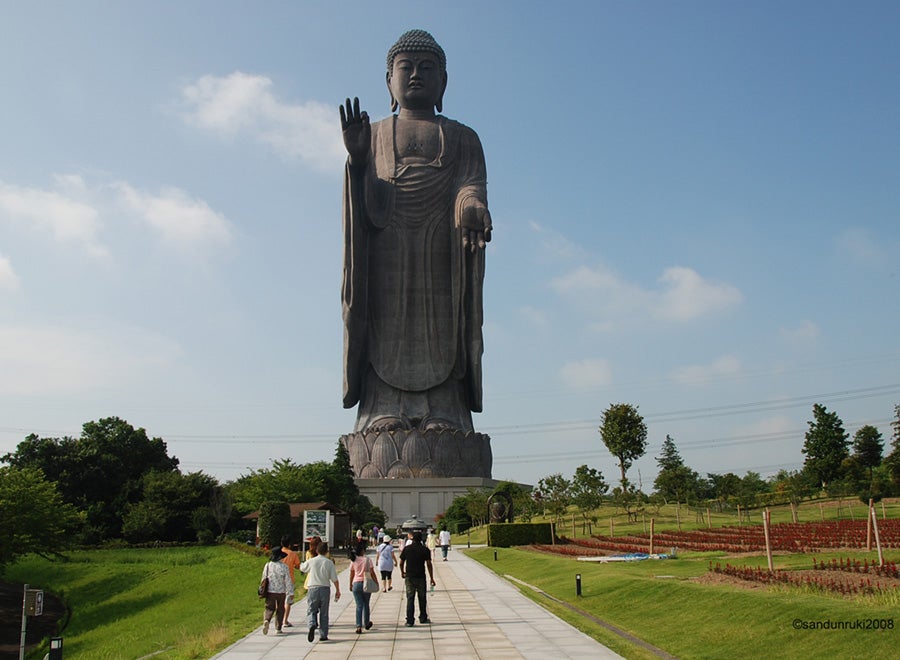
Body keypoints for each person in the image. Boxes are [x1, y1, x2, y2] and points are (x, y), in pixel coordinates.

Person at [340, 29, 492, 434]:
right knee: (382, 322)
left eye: (427, 68)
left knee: (445, 322)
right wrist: (357, 161)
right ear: (388, 81)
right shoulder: (372, 136)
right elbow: (368, 205)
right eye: (405, 67)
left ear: (444, 81)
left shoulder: (464, 137)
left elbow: (470, 183)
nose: (415, 75)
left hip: (442, 248)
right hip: (387, 249)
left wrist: (471, 204)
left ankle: (447, 411)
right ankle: (380, 408)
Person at [300, 542, 341, 642]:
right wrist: (337, 590)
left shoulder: (312, 561)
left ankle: (312, 623)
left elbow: (302, 568)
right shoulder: (329, 562)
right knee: (324, 612)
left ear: (317, 551)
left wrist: (301, 563)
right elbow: (334, 578)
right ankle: (323, 635)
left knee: (311, 609)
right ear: (326, 551)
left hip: (313, 587)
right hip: (325, 588)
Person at [399, 531, 435, 626]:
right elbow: (429, 564)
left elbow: (401, 562)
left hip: (410, 576)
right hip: (421, 576)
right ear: (421, 539)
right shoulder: (425, 550)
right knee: (422, 597)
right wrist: (431, 577)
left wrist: (402, 572)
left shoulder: (407, 549)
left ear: (412, 539)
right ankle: (423, 617)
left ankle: (410, 620)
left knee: (410, 598)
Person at [260, 548, 293, 635]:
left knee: (269, 607)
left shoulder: (267, 565)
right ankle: (278, 628)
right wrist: (290, 592)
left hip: (270, 591)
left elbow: (263, 578)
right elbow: (288, 580)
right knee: (280, 609)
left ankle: (267, 620)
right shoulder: (284, 567)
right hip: (281, 592)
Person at [349, 544, 379, 634]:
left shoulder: (353, 560)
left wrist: (350, 584)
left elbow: (351, 573)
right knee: (366, 604)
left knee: (359, 605)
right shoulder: (367, 560)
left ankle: (358, 626)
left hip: (356, 583)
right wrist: (376, 582)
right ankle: (366, 623)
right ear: (362, 551)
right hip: (366, 582)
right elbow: (372, 572)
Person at [280, 535, 301, 628]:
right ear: (289, 544)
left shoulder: (279, 553)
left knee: (279, 600)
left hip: (279, 580)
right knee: (288, 601)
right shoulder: (292, 554)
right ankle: (285, 620)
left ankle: (279, 619)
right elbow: (297, 566)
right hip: (289, 579)